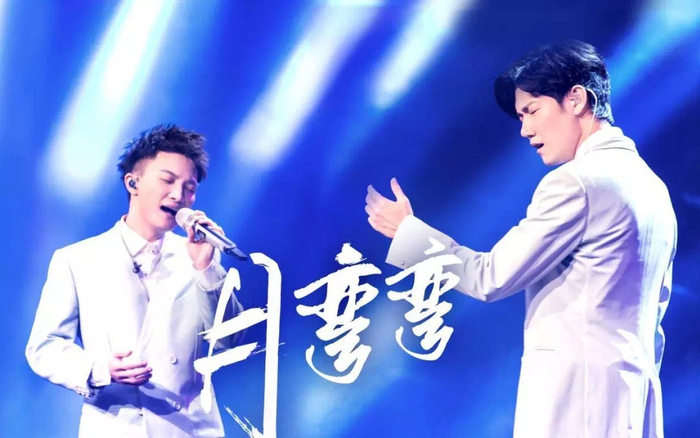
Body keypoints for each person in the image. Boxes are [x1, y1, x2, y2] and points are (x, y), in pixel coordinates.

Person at [365, 41, 677, 438]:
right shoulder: (652, 188)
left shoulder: (578, 183)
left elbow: (489, 277)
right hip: (632, 399)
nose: (526, 129)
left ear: (576, 99)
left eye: (532, 111)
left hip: (576, 405)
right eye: (520, 117)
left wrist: (408, 233)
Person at [26, 124, 243, 437]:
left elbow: (228, 339)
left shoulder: (199, 258)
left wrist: (206, 267)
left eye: (189, 187)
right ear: (133, 182)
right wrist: (100, 370)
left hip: (189, 429)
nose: (178, 196)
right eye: (167, 180)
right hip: (117, 426)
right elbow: (44, 347)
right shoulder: (77, 259)